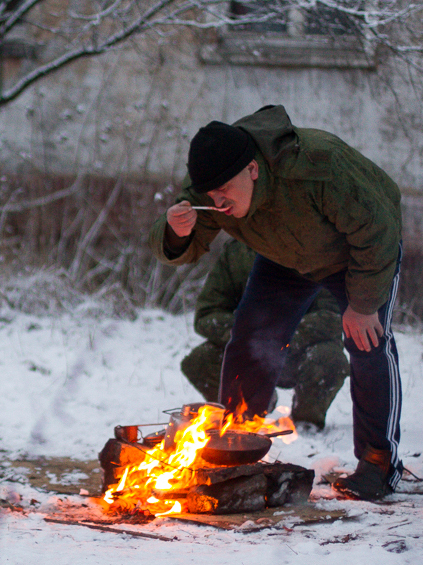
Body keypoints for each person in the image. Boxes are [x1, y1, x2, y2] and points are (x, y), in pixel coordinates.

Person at [149, 105, 403, 500]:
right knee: (251, 336)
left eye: (225, 193)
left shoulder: (319, 166)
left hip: (356, 250)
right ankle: (237, 444)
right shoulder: (213, 181)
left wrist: (364, 303)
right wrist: (176, 231)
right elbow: (184, 246)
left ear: (252, 169)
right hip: (283, 256)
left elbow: (379, 230)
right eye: (210, 196)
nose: (218, 203)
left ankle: (378, 463)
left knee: (367, 341)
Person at [180, 238, 349, 431]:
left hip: (301, 351)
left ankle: (306, 421)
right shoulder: (237, 252)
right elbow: (207, 315)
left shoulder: (313, 245)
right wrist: (251, 338)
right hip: (248, 353)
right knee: (200, 359)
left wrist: (277, 338)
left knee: (331, 358)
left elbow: (333, 316)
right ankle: (245, 412)